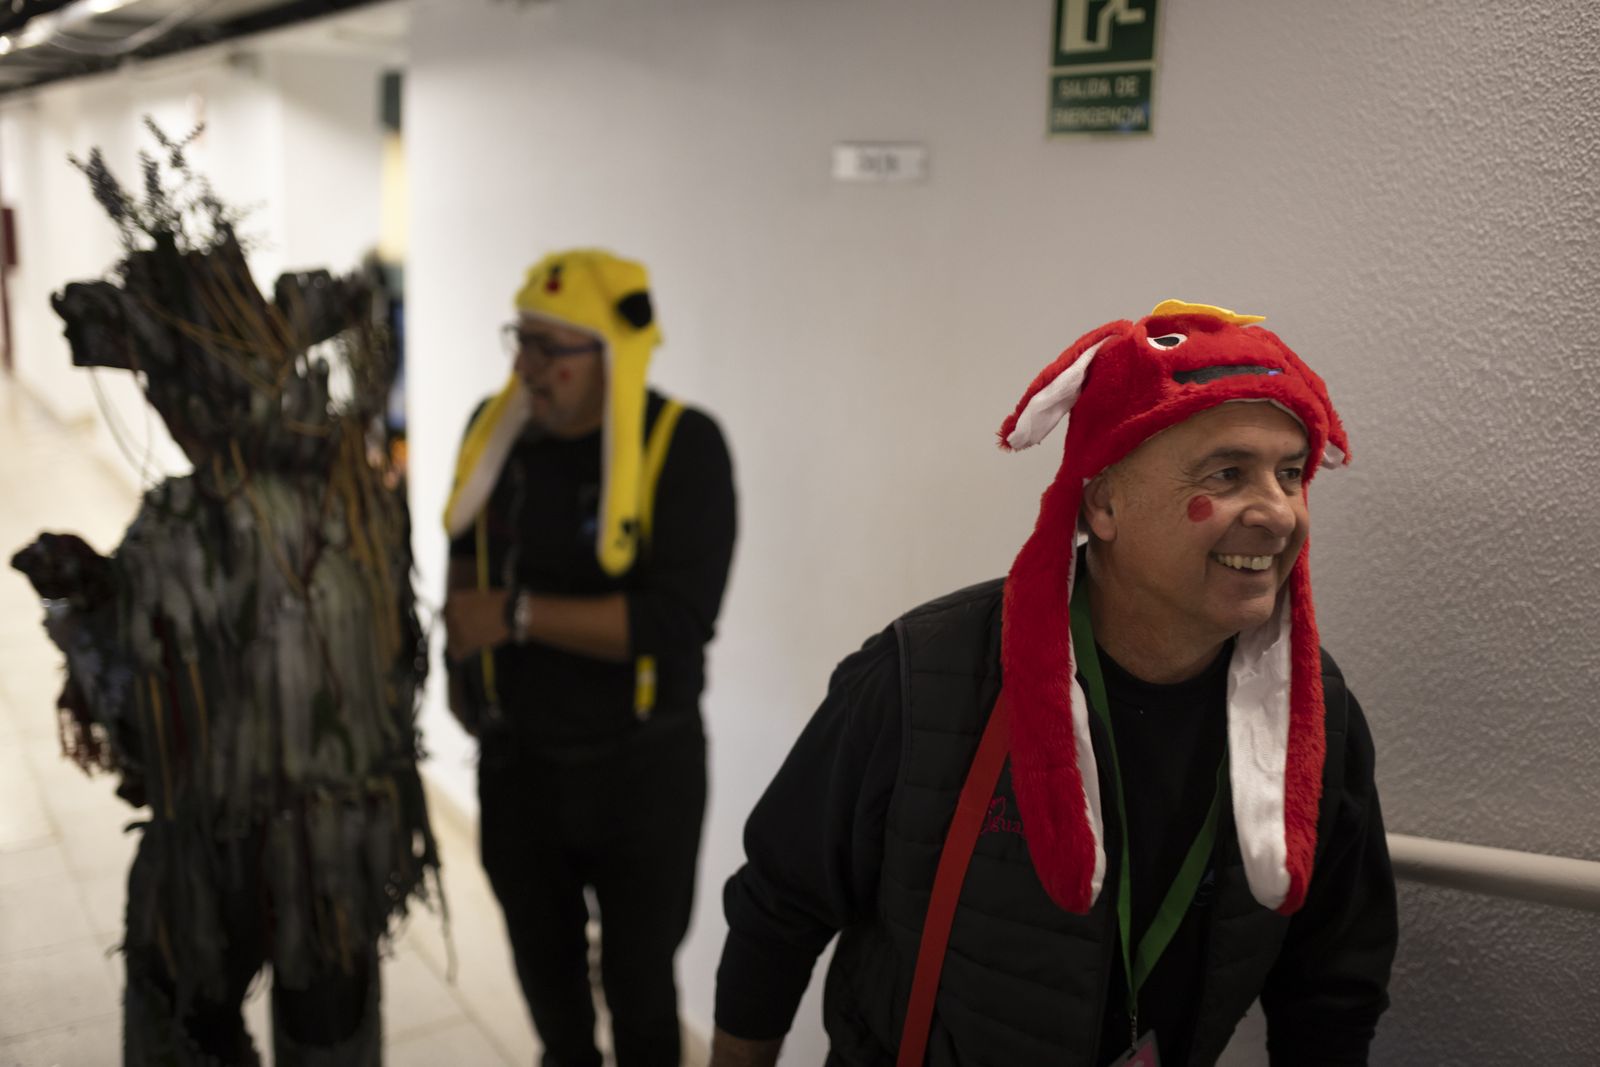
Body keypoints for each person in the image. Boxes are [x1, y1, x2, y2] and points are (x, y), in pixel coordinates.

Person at [710, 301, 1396, 1066]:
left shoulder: (1317, 716)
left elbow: (1331, 988)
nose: (1277, 512)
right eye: (1228, 472)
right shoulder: (925, 675)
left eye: (1291, 472)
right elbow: (778, 909)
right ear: (1102, 501)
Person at [12, 138, 437, 1066]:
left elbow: (129, 714)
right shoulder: (358, 498)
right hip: (343, 851)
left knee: (176, 1021)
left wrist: (78, 605)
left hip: (222, 862)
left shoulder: (182, 523)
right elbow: (401, 658)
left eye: (164, 388)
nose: (160, 410)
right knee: (333, 1033)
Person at [442, 249, 737, 1066]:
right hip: (517, 769)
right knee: (551, 996)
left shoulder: (685, 447)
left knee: (642, 996)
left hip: (642, 774)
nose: (525, 366)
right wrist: (460, 657)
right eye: (520, 340)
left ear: (611, 354)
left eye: (549, 348)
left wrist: (514, 615)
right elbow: (465, 539)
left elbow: (676, 621)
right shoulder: (490, 431)